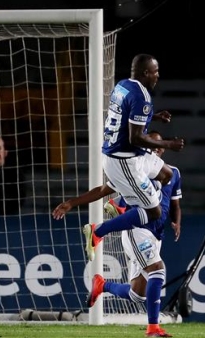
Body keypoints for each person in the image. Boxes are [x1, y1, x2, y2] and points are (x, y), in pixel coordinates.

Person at [53, 131, 182, 338]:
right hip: (138, 230)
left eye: (159, 146)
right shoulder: (137, 168)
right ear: (146, 147)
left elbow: (175, 202)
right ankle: (153, 328)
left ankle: (102, 285)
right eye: (152, 146)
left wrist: (177, 221)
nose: (155, 149)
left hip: (156, 233)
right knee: (158, 270)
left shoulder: (172, 172)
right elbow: (102, 189)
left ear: (162, 149)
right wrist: (71, 202)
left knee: (137, 295)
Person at [81, 53, 184, 262]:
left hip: (125, 153)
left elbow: (126, 114)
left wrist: (153, 116)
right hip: (125, 159)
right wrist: (168, 144)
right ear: (146, 73)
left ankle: (122, 204)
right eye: (155, 72)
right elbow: (136, 138)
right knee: (154, 212)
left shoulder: (122, 86)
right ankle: (97, 231)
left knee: (167, 175)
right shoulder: (142, 96)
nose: (158, 76)